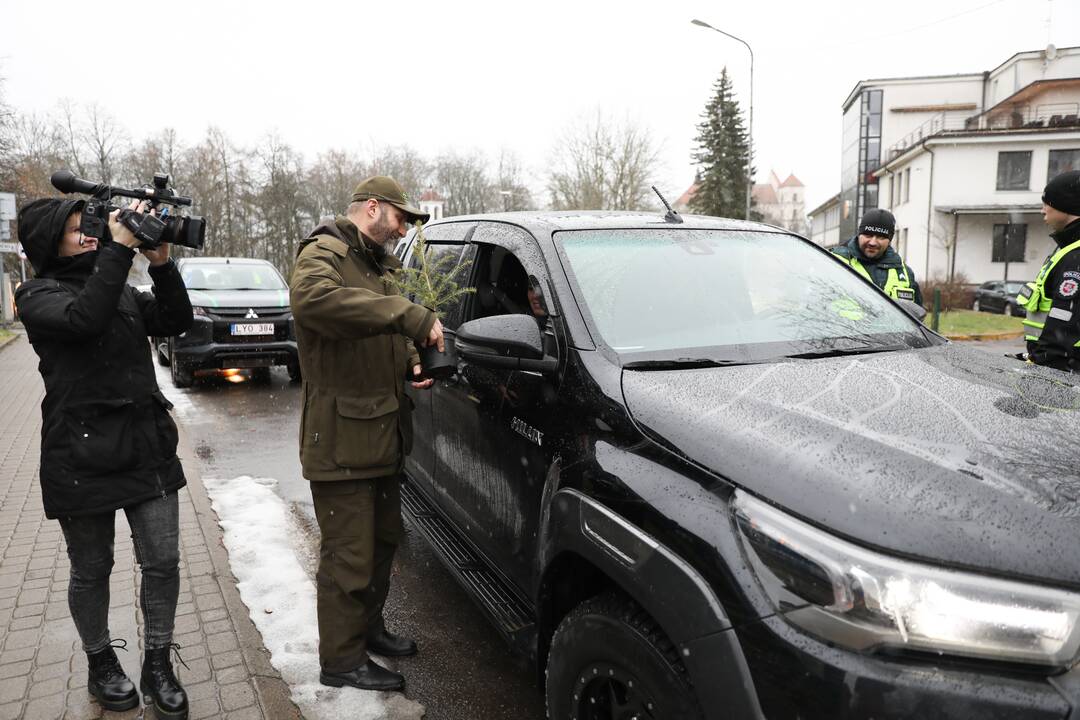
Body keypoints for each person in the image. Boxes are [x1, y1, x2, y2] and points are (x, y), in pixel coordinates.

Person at [14, 198, 193, 718]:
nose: (91, 235)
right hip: (80, 454)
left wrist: (159, 263)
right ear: (50, 242)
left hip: (145, 446)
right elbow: (85, 320)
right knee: (92, 569)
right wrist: (117, 247)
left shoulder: (119, 290)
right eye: (78, 230)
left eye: (93, 226)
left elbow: (176, 320)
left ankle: (158, 661)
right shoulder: (37, 294)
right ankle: (100, 662)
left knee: (162, 563)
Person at [289, 176, 444, 692]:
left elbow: (379, 336)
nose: (403, 230)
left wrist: (410, 359)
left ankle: (368, 631)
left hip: (381, 434)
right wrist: (409, 314)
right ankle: (341, 660)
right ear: (372, 208)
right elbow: (315, 305)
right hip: (341, 442)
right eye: (401, 218)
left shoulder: (377, 265)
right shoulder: (324, 253)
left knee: (379, 545)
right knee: (347, 558)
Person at [1017, 170, 1080, 372]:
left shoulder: (1075, 256)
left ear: (1068, 206)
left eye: (1048, 203)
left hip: (1062, 375)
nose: (1043, 210)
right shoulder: (1068, 249)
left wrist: (1040, 370)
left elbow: (1064, 324)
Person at [832, 208, 923, 305]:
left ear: (889, 240)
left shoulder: (904, 273)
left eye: (881, 237)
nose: (872, 242)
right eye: (868, 235)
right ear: (859, 234)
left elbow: (915, 316)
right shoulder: (834, 261)